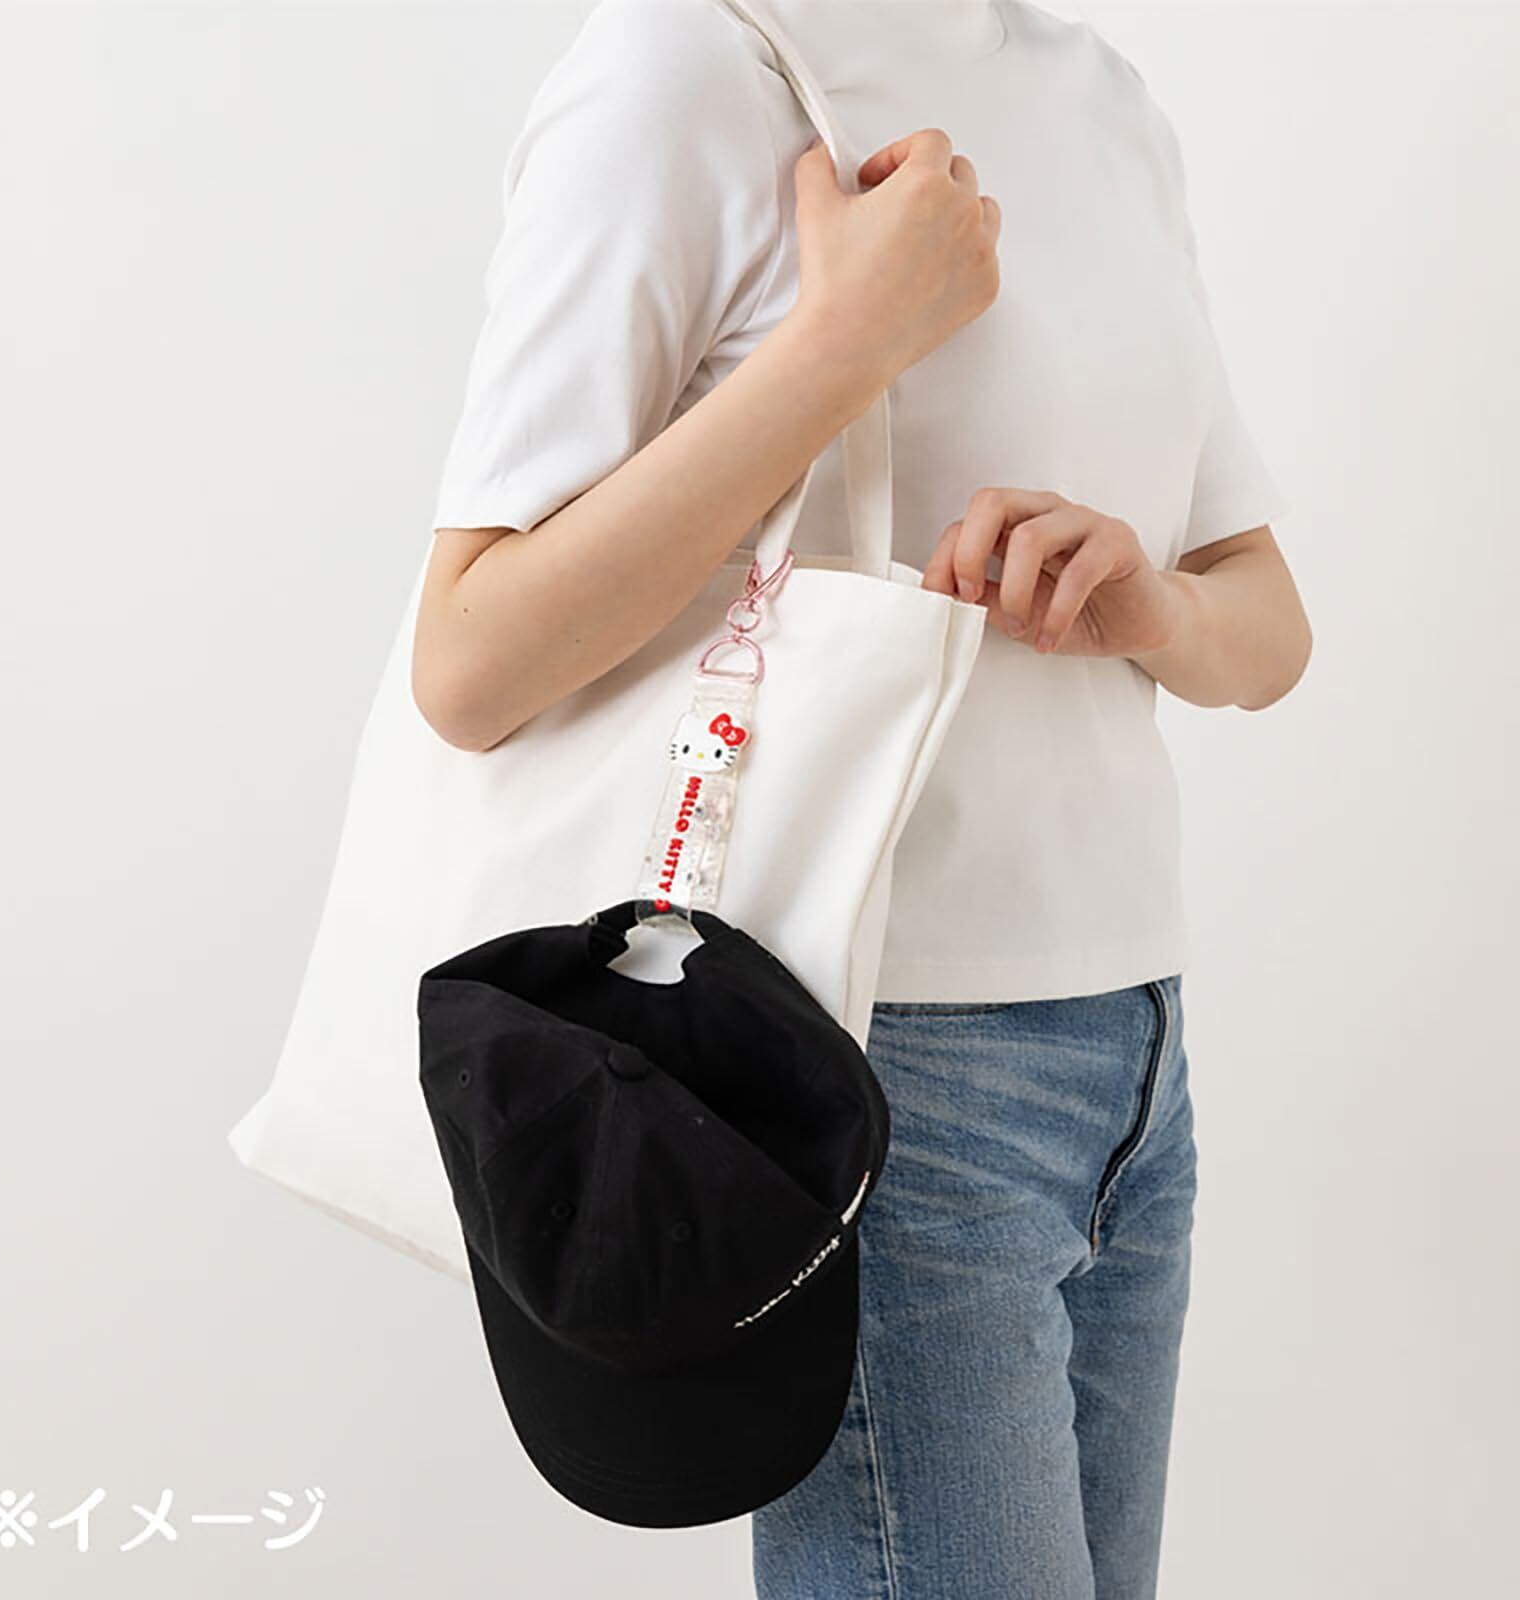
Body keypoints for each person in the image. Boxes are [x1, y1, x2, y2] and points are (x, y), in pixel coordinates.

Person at [413, 0, 1312, 1594]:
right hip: (886, 1068)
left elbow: (1266, 618)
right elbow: (471, 659)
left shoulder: (1103, 98)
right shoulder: (690, 69)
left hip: (1138, 1065)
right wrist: (844, 349)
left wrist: (1150, 609)